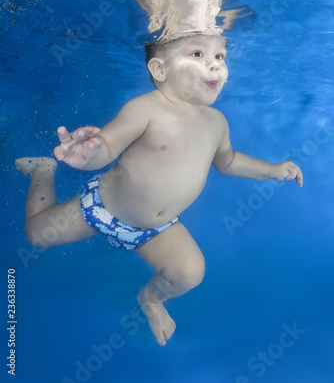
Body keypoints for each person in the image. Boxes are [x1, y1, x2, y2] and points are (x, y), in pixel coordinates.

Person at [16, 34, 303, 346]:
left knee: (190, 273)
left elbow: (228, 161)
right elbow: (108, 146)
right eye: (198, 53)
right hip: (102, 210)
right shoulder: (146, 109)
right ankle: (44, 169)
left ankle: (151, 300)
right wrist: (87, 156)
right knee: (36, 236)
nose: (215, 64)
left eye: (221, 57)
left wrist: (272, 170)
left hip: (158, 228)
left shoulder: (217, 122)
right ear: (160, 69)